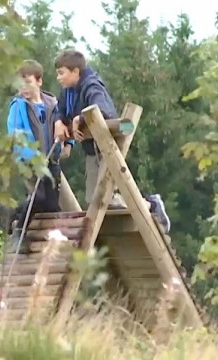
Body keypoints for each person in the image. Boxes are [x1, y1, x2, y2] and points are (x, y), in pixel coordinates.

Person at [52, 49, 171, 233]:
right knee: (94, 200)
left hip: (105, 147)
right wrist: (59, 121)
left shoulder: (92, 85)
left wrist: (80, 119)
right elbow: (59, 109)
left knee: (106, 199)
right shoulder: (68, 90)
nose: (59, 78)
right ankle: (141, 207)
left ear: (76, 72)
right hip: (91, 150)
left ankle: (150, 203)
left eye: (61, 73)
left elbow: (102, 110)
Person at [6, 60, 71, 254]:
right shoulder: (18, 106)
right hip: (30, 162)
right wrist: (33, 157)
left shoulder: (52, 104)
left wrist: (69, 143)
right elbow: (16, 135)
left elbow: (64, 123)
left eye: (28, 83)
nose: (24, 88)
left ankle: (17, 213)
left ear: (39, 82)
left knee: (50, 205)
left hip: (51, 160)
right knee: (38, 195)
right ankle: (20, 231)